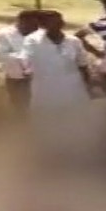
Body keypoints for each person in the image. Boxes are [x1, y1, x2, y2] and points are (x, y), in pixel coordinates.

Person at [20, 11, 94, 149]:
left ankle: (78, 148)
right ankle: (50, 150)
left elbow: (83, 64)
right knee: (47, 122)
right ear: (42, 25)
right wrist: (26, 69)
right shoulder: (32, 40)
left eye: (59, 21)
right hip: (46, 89)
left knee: (75, 121)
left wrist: (89, 86)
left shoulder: (74, 41)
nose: (58, 24)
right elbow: (25, 58)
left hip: (73, 88)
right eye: (51, 22)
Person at [0, 9, 40, 119]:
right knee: (21, 109)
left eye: (37, 25)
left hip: (40, 79)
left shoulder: (40, 34)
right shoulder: (4, 35)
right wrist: (22, 56)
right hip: (17, 80)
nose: (35, 28)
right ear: (21, 21)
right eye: (32, 25)